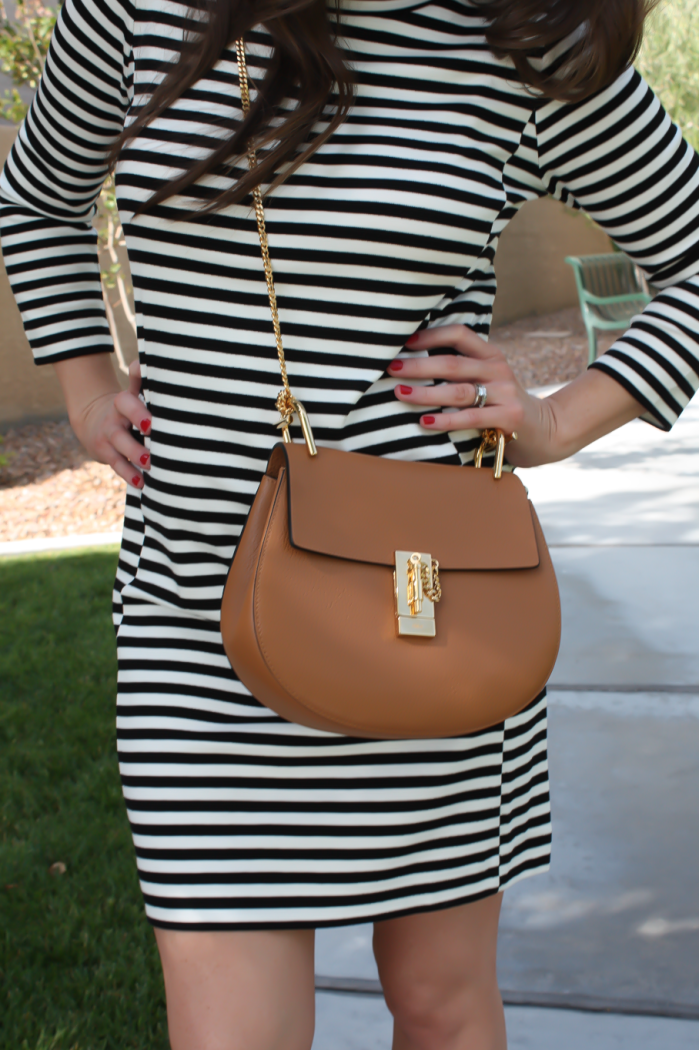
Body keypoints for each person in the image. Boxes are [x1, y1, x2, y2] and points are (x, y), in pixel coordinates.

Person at [2, 0, 698, 1046]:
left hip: (427, 606)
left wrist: (556, 418)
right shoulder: (137, 10)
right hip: (197, 618)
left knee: (440, 1004)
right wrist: (86, 387)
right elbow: (38, 200)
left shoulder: (518, 29)